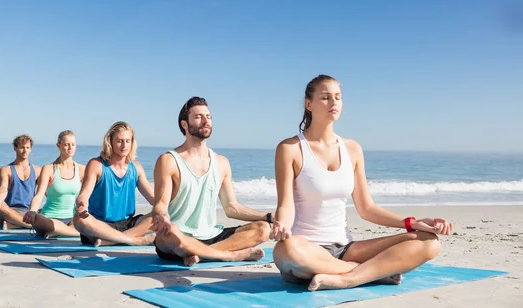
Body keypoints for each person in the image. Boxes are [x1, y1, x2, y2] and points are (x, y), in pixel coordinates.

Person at [271, 74, 454, 291]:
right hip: (307, 248)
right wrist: (281, 224)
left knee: (429, 241)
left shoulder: (352, 149)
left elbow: (367, 209)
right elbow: (286, 205)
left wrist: (412, 223)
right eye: (325, 97)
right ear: (308, 104)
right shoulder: (290, 149)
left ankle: (349, 278)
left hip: (347, 247)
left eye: (338, 97)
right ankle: (369, 272)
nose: (333, 103)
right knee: (287, 249)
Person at [150, 96, 272, 266]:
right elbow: (161, 204)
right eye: (198, 117)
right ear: (184, 124)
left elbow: (232, 208)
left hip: (211, 236)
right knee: (171, 232)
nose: (205, 121)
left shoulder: (221, 162)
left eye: (208, 117)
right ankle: (229, 255)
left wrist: (268, 216)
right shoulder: (168, 160)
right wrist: (162, 217)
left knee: (263, 229)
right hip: (178, 237)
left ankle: (201, 254)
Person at [73, 121, 155, 246]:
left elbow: (155, 200)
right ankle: (134, 240)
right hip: (100, 225)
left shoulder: (136, 168)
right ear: (110, 141)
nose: (124, 145)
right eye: (119, 141)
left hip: (128, 224)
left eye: (128, 141)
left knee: (159, 214)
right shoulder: (96, 165)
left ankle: (110, 241)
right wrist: (81, 203)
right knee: (79, 220)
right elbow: (84, 194)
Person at [22, 130, 85, 238]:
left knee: (90, 221)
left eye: (73, 144)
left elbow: (88, 195)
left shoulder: (81, 169)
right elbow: (39, 194)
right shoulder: (49, 169)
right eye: (66, 144)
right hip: (50, 218)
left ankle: (59, 232)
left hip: (72, 219)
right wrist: (32, 211)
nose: (70, 148)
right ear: (58, 145)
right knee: (37, 219)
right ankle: (73, 233)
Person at [0, 134, 41, 229]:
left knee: (46, 211)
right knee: (2, 206)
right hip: (9, 210)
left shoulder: (38, 170)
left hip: (29, 212)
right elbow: (3, 188)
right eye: (22, 147)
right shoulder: (6, 170)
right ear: (15, 148)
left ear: (30, 149)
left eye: (27, 147)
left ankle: (13, 225)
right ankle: (30, 226)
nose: (25, 150)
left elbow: (45, 192)